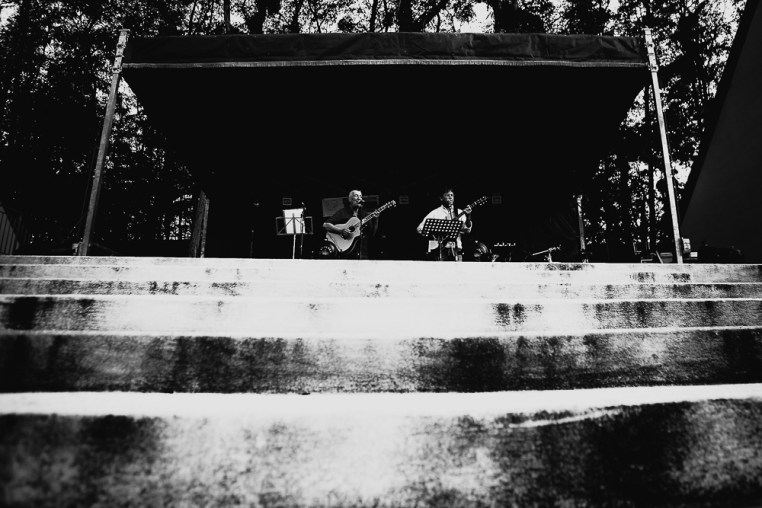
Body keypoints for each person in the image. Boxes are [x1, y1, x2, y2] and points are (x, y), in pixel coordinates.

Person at [416, 187, 473, 261]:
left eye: (452, 195)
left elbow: (468, 230)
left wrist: (468, 217)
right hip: (439, 249)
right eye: (447, 195)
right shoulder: (435, 213)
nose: (450, 197)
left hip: (456, 249)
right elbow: (419, 229)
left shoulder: (459, 212)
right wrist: (435, 232)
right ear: (441, 198)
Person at [321, 189, 378, 259]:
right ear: (350, 199)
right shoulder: (342, 212)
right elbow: (325, 225)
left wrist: (375, 220)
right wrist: (340, 231)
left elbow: (372, 233)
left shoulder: (365, 215)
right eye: (356, 196)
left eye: (360, 196)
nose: (359, 198)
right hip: (347, 253)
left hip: (363, 253)